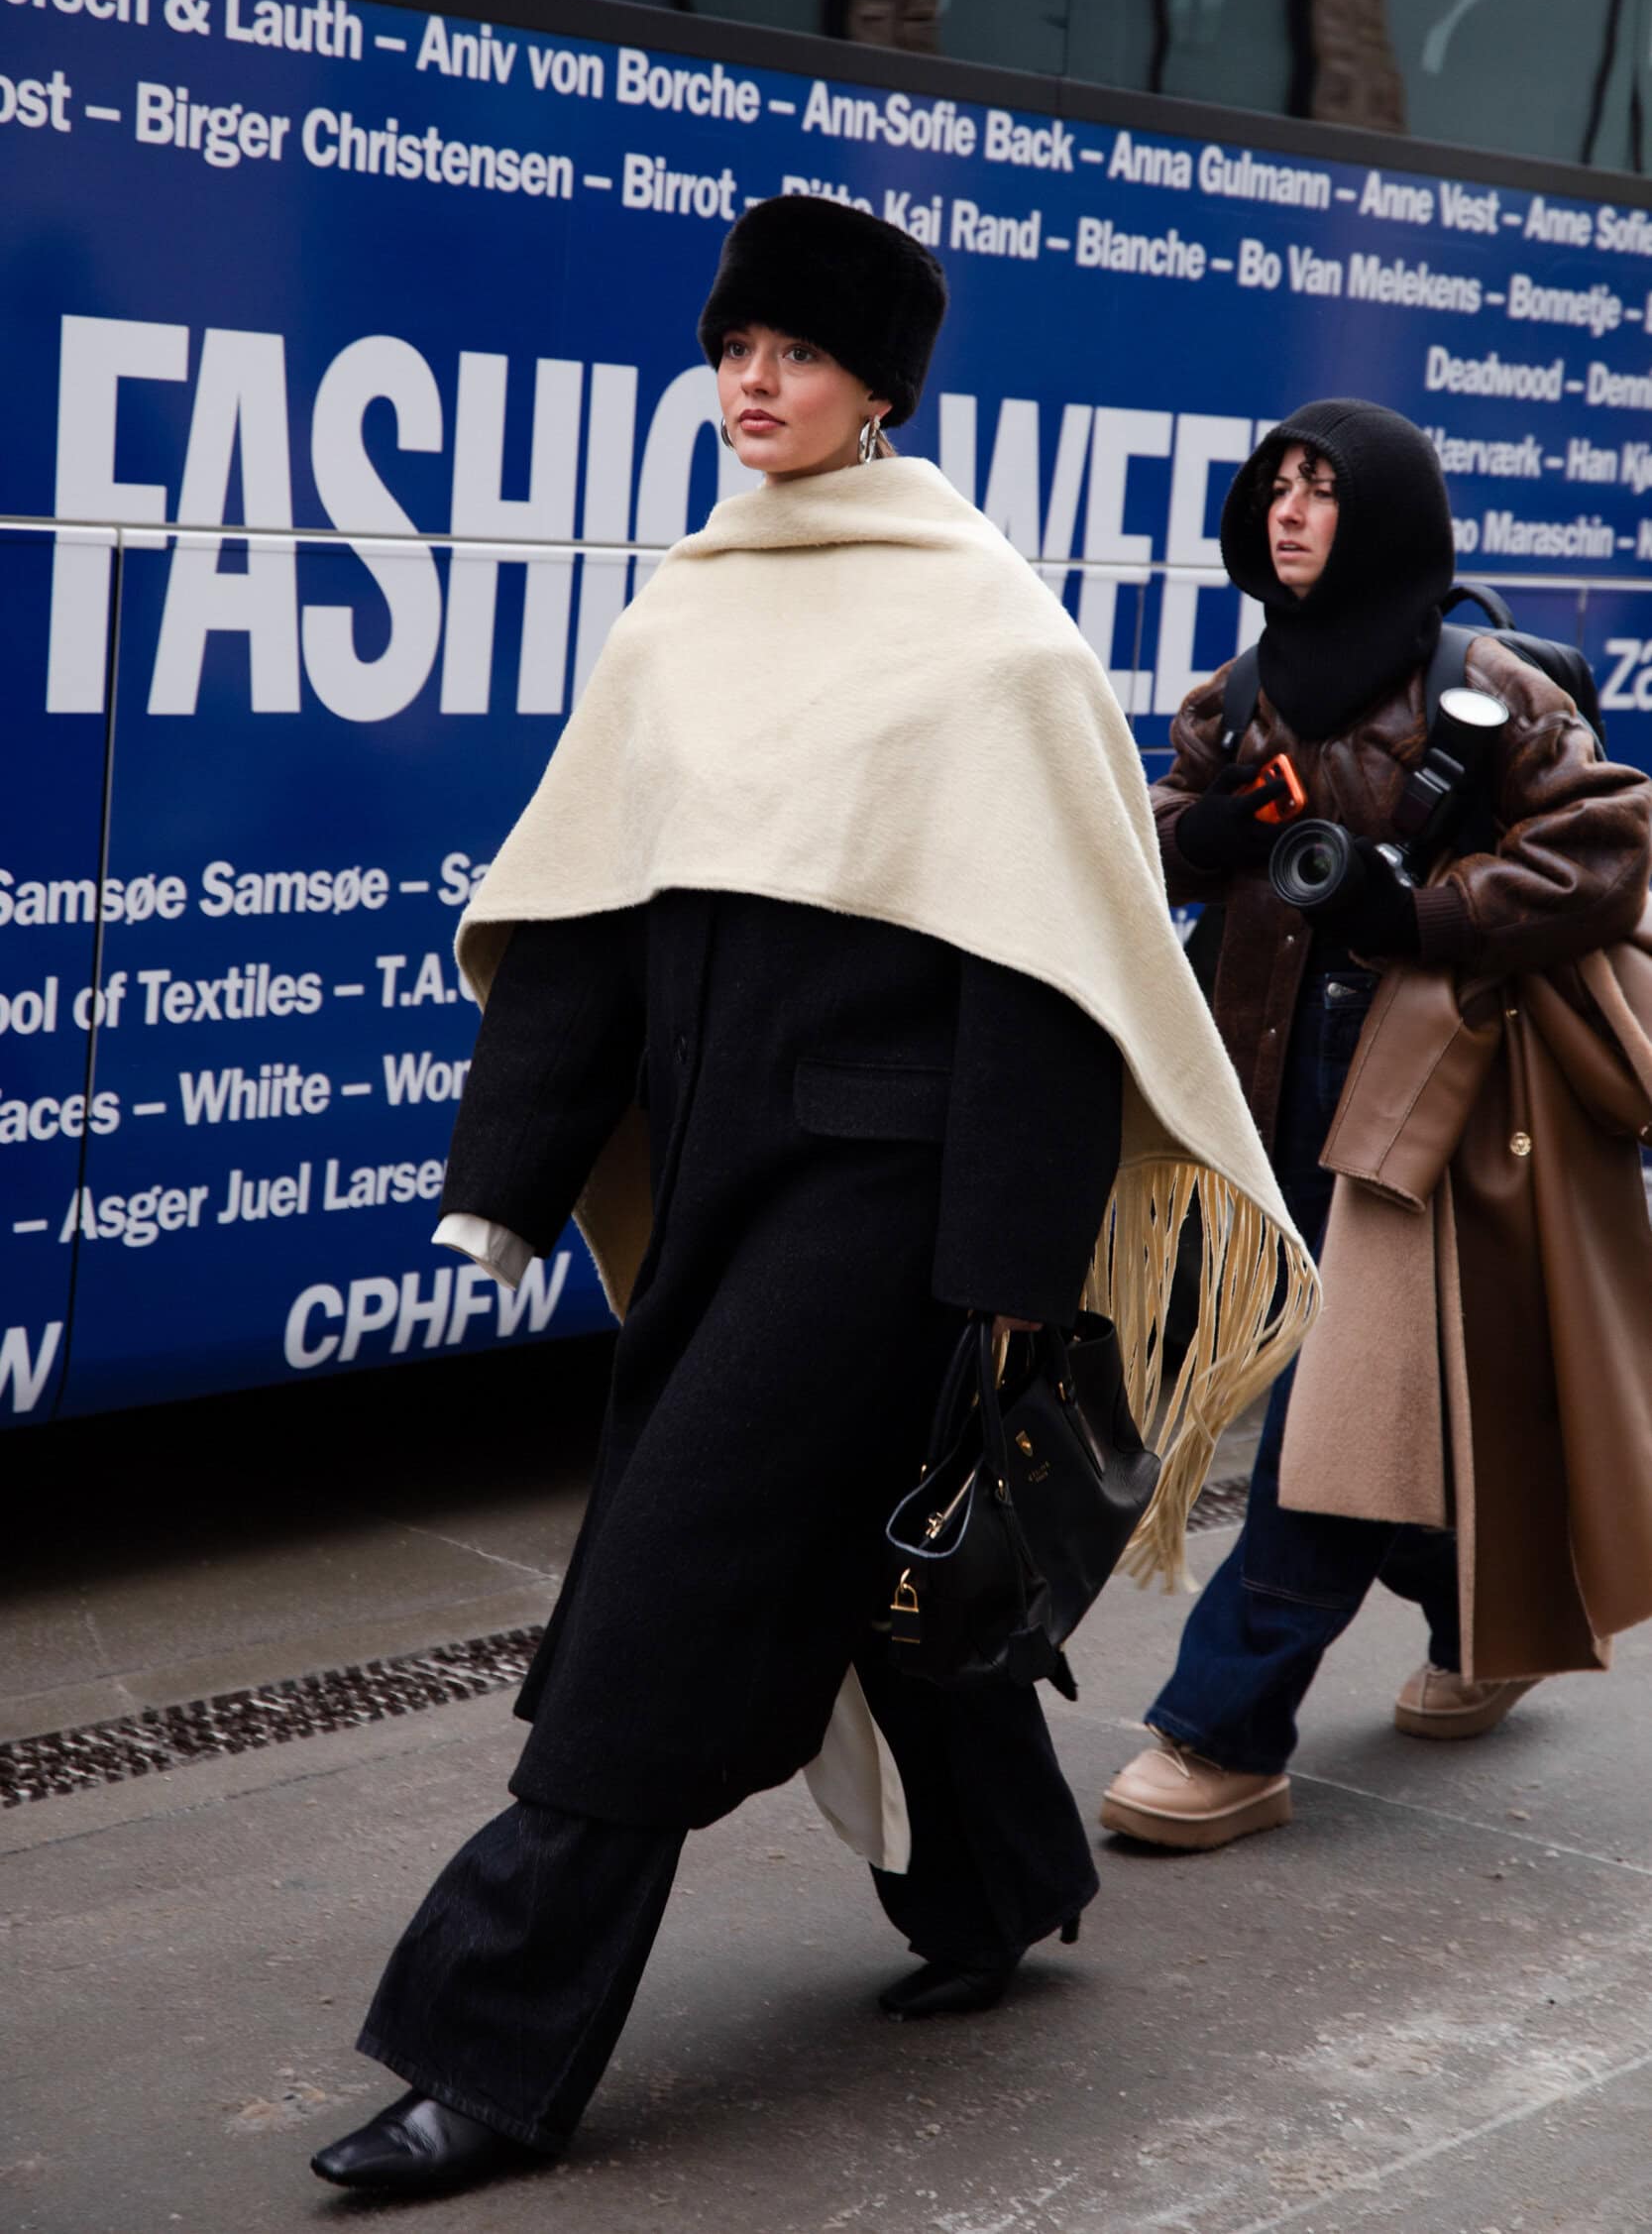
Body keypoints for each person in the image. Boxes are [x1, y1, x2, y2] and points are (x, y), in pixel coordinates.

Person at [309, 196, 1316, 2198]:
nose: (749, 380)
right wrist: (499, 1184)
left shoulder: (986, 627)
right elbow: (594, 909)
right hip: (714, 1177)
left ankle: (489, 2047)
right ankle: (1002, 1880)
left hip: (886, 1204)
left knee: (664, 1597)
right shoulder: (685, 601)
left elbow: (1040, 974)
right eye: (730, 345)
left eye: (794, 349)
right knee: (841, 1563)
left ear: (880, 384)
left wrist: (1010, 1277)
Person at [1102, 397, 1652, 1854]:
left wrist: (1424, 910)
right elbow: (1142, 823)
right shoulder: (1239, 697)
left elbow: (1607, 848)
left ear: (1389, 516)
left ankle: (1223, 1730)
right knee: (1354, 1392)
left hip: (1428, 1096)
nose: (1289, 511)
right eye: (1277, 486)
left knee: (1329, 1416)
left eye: (1324, 490)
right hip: (1268, 1073)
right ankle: (1486, 1603)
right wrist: (1201, 835)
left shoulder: (1485, 686)